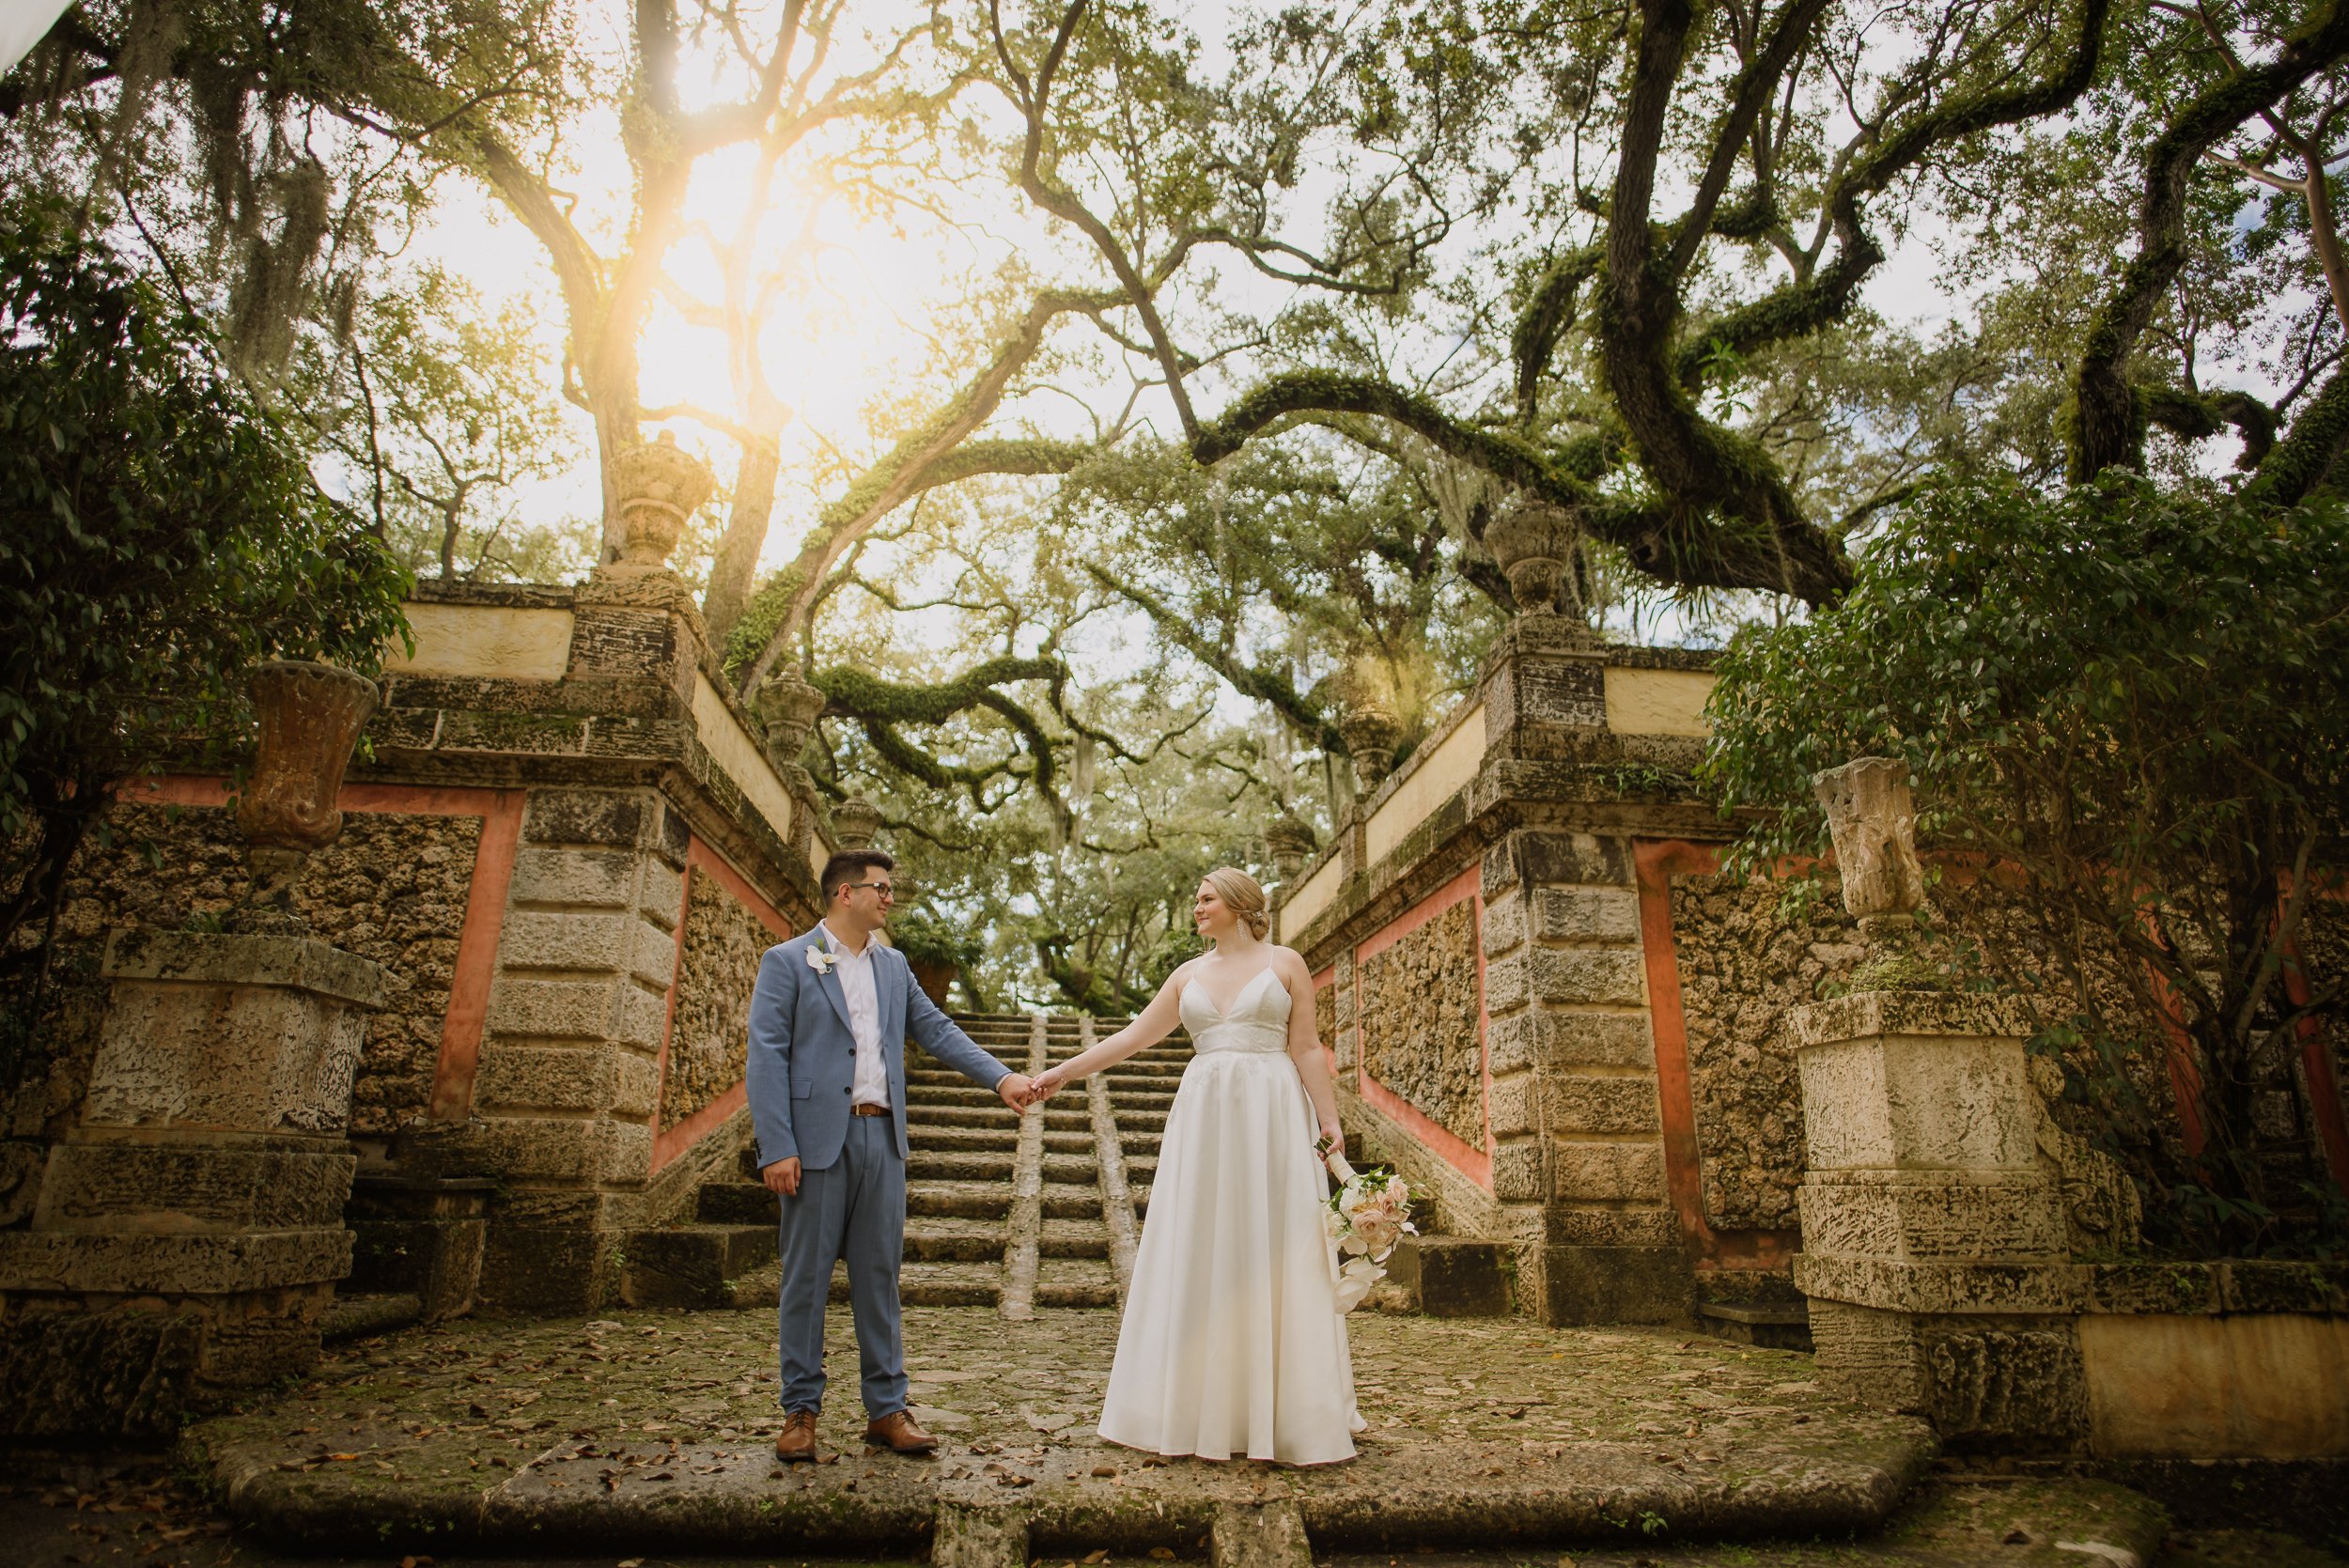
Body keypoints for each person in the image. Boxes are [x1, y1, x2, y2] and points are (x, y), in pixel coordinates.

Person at [1026, 866, 1362, 1465]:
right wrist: (1063, 1072)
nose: (1197, 907)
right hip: (1206, 1116)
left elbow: (1306, 1046)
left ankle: (1288, 1413)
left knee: (1273, 1246)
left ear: (1237, 904)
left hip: (1274, 1111)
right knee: (1204, 1243)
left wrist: (1329, 1120)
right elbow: (1132, 1038)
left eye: (1206, 898)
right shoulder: (1187, 976)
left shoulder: (1286, 964)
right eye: (1197, 898)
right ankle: (1192, 1406)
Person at [745, 848, 1034, 1462]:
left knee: (879, 1279)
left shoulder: (895, 966)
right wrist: (778, 1144)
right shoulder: (788, 961)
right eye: (880, 887)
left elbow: (937, 1030)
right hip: (817, 1141)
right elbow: (766, 1054)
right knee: (806, 1280)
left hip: (883, 1140)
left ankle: (886, 1409)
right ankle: (800, 1410)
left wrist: (1001, 1078)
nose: (889, 897)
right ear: (843, 894)